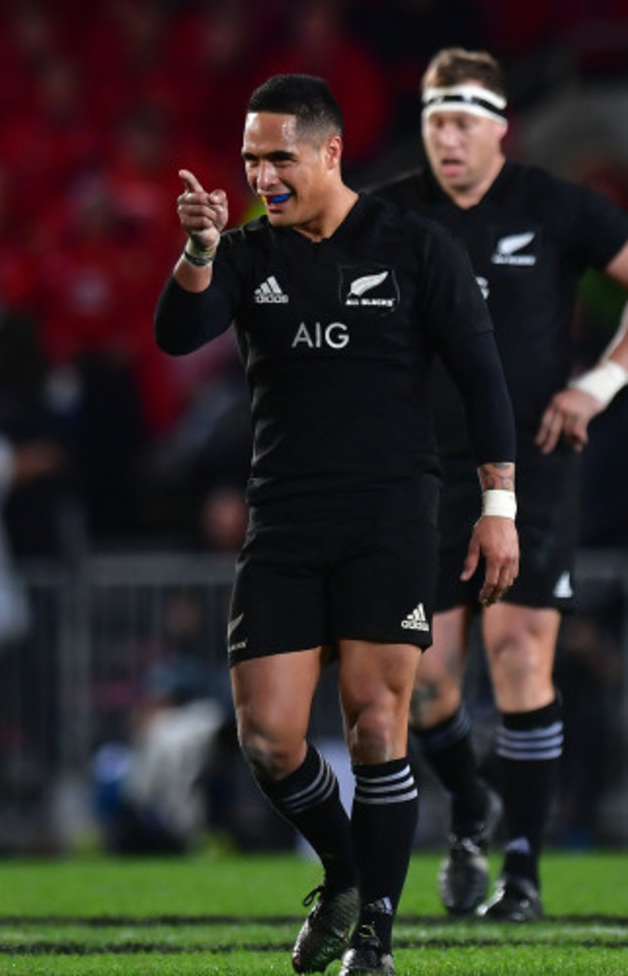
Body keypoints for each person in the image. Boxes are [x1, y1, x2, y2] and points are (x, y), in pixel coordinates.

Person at [155, 73, 519, 976]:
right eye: (250, 161)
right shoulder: (244, 253)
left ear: (329, 151)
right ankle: (348, 874)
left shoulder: (415, 248)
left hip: (392, 513)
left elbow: (483, 381)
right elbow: (177, 332)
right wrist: (198, 247)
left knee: (375, 722)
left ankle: (374, 944)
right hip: (283, 517)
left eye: (280, 157)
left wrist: (499, 507)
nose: (262, 176)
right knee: (270, 740)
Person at [374, 47, 628, 922]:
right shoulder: (392, 214)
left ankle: (522, 873)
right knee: (428, 681)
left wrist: (599, 383)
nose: (447, 138)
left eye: (462, 121)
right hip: (427, 471)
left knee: (522, 655)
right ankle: (472, 812)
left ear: (499, 127)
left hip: (535, 465)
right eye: (433, 121)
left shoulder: (555, 207)